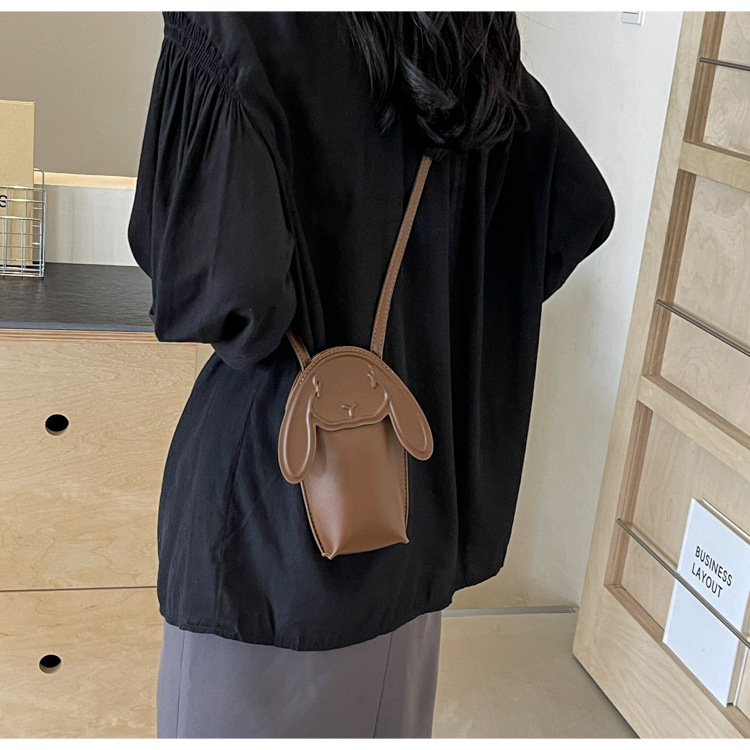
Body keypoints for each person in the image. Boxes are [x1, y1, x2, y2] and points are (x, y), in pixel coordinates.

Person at [128, 11, 615, 739]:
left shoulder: (237, 25)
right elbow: (578, 212)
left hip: (262, 524)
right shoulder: (467, 37)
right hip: (408, 499)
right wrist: (437, 324)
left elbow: (216, 288)